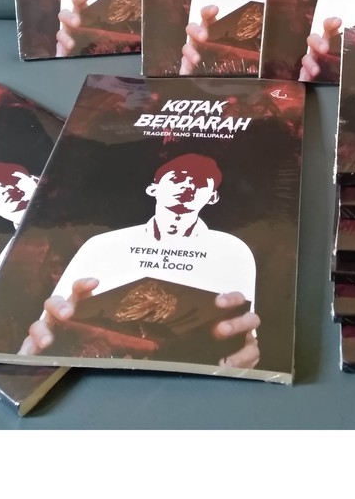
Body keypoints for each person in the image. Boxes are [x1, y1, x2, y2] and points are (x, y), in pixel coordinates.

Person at [19, 153, 261, 367]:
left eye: (199, 182)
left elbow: (241, 337)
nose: (188, 185)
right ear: (153, 189)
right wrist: (44, 340)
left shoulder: (232, 250)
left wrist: (241, 353)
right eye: (177, 178)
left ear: (213, 197)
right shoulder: (102, 245)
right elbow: (51, 321)